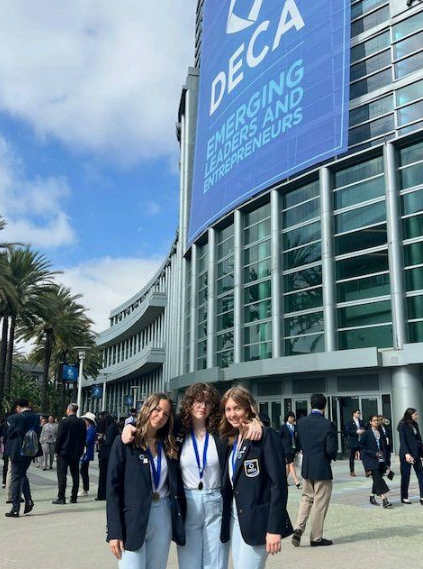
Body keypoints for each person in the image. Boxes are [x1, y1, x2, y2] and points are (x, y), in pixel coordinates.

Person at [122, 382, 262, 569]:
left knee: (216, 562)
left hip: (216, 500)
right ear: (189, 403)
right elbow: (153, 422)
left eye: (207, 403)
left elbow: (243, 420)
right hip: (187, 502)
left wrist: (258, 422)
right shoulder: (177, 428)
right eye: (198, 401)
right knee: (189, 563)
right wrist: (129, 426)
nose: (202, 406)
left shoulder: (221, 430)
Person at [107, 392, 185, 569]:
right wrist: (114, 531)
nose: (160, 416)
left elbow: (194, 420)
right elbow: (112, 490)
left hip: (162, 515)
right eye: (157, 410)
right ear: (147, 408)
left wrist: (260, 423)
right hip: (133, 518)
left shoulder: (168, 443)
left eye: (166, 413)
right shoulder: (126, 442)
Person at [220, 386, 293, 569]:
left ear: (248, 408)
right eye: (228, 409)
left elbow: (279, 484)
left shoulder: (265, 436)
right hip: (236, 521)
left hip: (260, 523)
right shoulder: (233, 439)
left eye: (237, 408)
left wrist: (274, 529)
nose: (232, 414)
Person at [291, 393, 337, 547]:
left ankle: (298, 527)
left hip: (307, 466)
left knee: (306, 498)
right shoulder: (328, 424)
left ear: (311, 405)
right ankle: (316, 537)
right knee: (320, 502)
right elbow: (330, 449)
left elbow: (298, 444)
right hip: (322, 467)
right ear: (324, 406)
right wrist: (331, 457)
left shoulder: (301, 422)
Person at [4, 398, 41, 518]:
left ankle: (15, 508)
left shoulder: (15, 418)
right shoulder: (36, 417)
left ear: (19, 407)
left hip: (17, 451)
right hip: (30, 450)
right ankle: (29, 501)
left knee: (16, 477)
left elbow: (9, 433)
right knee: (23, 475)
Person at [53, 403, 86, 505]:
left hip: (64, 452)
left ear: (68, 410)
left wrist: (56, 450)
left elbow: (60, 437)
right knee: (75, 475)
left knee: (62, 475)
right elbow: (83, 438)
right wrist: (81, 451)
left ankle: (61, 497)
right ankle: (74, 497)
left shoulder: (64, 422)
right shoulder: (81, 422)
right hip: (76, 453)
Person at [360, 415, 392, 508]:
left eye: (377, 420)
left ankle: (371, 496)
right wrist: (374, 453)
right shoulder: (367, 433)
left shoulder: (380, 432)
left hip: (381, 460)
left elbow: (383, 446)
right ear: (370, 422)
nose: (376, 422)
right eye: (374, 420)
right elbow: (362, 447)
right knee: (378, 479)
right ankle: (384, 500)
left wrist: (386, 459)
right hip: (371, 460)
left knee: (377, 479)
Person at [397, 407, 423, 505]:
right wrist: (407, 454)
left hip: (416, 453)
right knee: (405, 476)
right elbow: (403, 441)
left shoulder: (415, 425)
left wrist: (421, 453)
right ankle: (404, 496)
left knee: (421, 475)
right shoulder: (402, 425)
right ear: (410, 414)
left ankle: (422, 497)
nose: (417, 416)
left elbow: (419, 440)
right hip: (406, 454)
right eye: (415, 414)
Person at [96, 414, 120, 501]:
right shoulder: (115, 427)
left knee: (103, 475)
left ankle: (102, 494)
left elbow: (108, 442)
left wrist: (101, 440)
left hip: (106, 455)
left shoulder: (110, 428)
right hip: (110, 455)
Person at [278, 412, 301, 488]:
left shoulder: (295, 427)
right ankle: (296, 480)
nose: (292, 418)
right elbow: (279, 438)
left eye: (293, 417)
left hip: (293, 449)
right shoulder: (283, 427)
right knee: (291, 463)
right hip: (286, 449)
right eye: (290, 417)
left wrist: (298, 448)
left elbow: (297, 438)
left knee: (288, 465)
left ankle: (283, 481)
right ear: (287, 418)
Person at [78, 412, 97, 497]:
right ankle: (85, 488)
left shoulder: (91, 429)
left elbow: (88, 441)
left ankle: (85, 489)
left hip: (87, 452)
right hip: (86, 452)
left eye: (85, 420)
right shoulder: (89, 428)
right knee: (83, 471)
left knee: (83, 471)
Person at [344, 409, 365, 476]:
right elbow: (347, 431)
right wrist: (356, 432)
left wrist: (363, 431)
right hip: (353, 441)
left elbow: (364, 428)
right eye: (358, 413)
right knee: (352, 457)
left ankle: (367, 470)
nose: (359, 414)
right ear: (354, 414)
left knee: (364, 456)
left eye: (359, 413)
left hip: (360, 441)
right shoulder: (349, 422)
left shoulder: (361, 422)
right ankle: (352, 471)